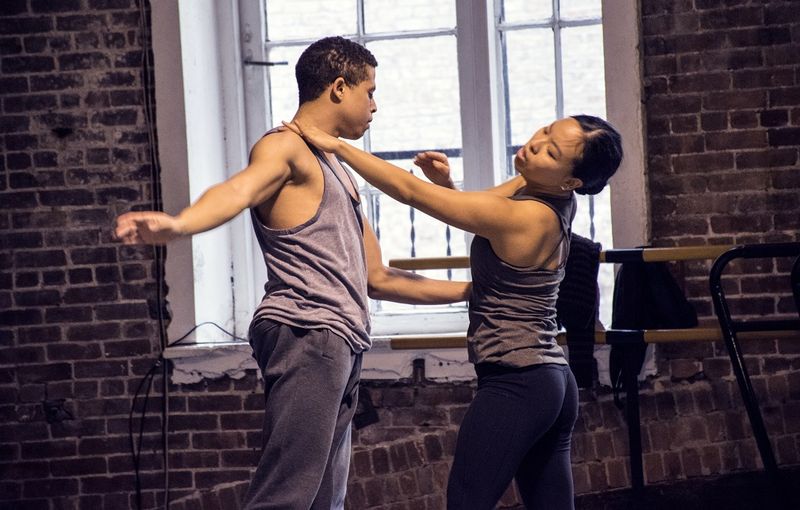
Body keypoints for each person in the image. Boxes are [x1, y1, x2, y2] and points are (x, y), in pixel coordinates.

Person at [115, 36, 470, 510]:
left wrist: (473, 289)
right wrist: (180, 224)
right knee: (285, 497)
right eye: (370, 92)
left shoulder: (339, 170)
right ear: (339, 87)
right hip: (308, 330)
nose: (375, 106)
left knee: (325, 501)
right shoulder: (285, 147)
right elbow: (238, 190)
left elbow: (378, 277)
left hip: (340, 340)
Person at [283, 114, 623, 509]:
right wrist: (446, 186)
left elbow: (411, 193)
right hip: (551, 382)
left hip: (518, 381)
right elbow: (478, 210)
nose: (535, 144)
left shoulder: (530, 216)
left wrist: (337, 146)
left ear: (571, 182)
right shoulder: (544, 192)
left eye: (551, 151)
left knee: (466, 501)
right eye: (546, 131)